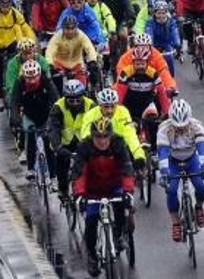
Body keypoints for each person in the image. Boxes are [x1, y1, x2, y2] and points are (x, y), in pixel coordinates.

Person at [70, 116, 135, 278]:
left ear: (110, 136)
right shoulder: (84, 148)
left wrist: (128, 192)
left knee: (121, 207)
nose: (102, 141)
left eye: (105, 136)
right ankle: (92, 257)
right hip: (93, 192)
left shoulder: (118, 145)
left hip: (114, 187)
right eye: (98, 137)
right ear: (92, 137)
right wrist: (79, 195)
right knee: (90, 224)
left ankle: (119, 235)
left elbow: (127, 169)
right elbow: (79, 174)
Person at [158, 99, 204, 241]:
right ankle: (175, 222)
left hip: (191, 158)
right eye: (177, 126)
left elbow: (202, 146)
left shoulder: (196, 126)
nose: (180, 128)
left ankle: (199, 207)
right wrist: (164, 170)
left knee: (201, 185)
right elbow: (162, 151)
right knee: (171, 189)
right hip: (172, 160)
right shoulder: (164, 128)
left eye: (184, 125)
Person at [10, 60, 59, 179]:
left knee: (48, 142)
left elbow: (56, 99)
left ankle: (53, 175)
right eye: (28, 78)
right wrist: (15, 119)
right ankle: (31, 168)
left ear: (39, 74)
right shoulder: (19, 83)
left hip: (45, 114)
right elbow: (14, 102)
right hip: (29, 114)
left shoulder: (46, 81)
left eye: (34, 77)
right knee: (30, 136)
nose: (32, 80)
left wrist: (56, 117)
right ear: (24, 76)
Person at [48, 80, 96, 198]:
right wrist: (57, 146)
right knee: (62, 162)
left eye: (77, 100)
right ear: (65, 99)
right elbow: (53, 128)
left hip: (85, 141)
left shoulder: (91, 105)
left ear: (82, 97)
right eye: (70, 100)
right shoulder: (58, 107)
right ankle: (63, 189)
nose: (74, 103)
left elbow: (98, 126)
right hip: (65, 143)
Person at [78, 89, 146, 170]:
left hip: (119, 147)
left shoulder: (123, 111)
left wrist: (139, 156)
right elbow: (86, 136)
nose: (109, 110)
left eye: (112, 106)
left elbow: (130, 135)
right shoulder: (90, 114)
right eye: (106, 106)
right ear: (100, 105)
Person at [45, 15, 100, 87]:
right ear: (63, 28)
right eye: (67, 28)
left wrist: (92, 61)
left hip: (76, 64)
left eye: (72, 28)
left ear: (76, 28)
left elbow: (89, 48)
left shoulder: (81, 35)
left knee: (82, 85)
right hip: (60, 64)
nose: (70, 31)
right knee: (57, 83)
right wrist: (50, 64)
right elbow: (50, 50)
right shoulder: (57, 36)